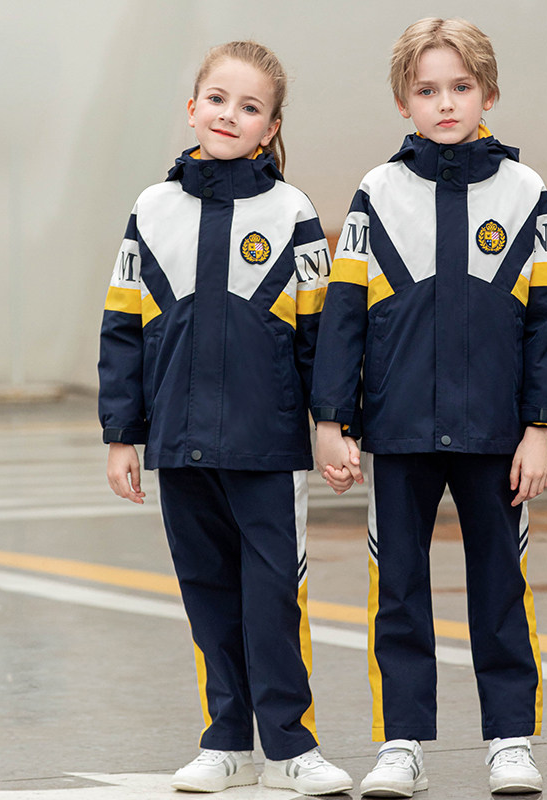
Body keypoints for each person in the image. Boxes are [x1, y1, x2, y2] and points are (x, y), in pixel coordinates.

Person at [311, 18, 547, 797]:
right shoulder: (376, 192)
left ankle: (510, 741)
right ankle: (401, 744)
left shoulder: (525, 193)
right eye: (427, 90)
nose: (446, 103)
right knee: (396, 593)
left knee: (501, 589)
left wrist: (539, 428)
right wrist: (332, 421)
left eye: (461, 87)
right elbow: (344, 318)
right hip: (399, 432)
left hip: (498, 435)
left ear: (488, 92)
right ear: (404, 102)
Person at [98, 40, 352, 796]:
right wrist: (123, 435)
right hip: (180, 446)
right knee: (207, 596)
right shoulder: (151, 210)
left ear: (271, 128)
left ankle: (293, 747)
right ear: (192, 108)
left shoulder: (292, 212)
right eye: (217, 99)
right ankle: (227, 743)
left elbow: (318, 335)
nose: (229, 115)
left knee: (273, 600)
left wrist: (330, 424)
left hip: (267, 449)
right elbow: (122, 329)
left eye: (249, 107)